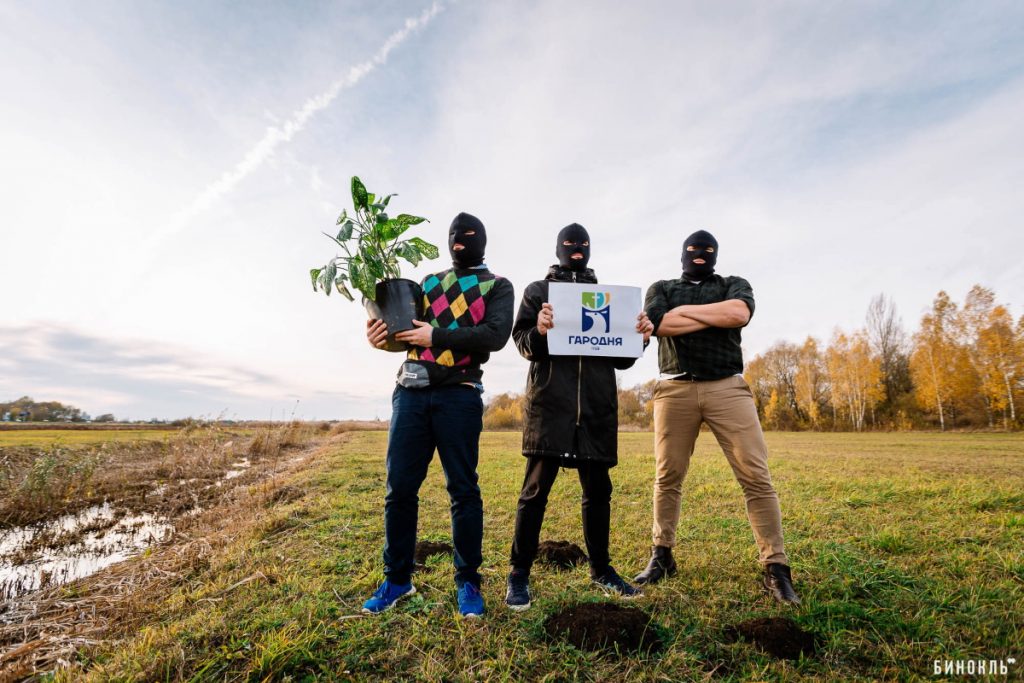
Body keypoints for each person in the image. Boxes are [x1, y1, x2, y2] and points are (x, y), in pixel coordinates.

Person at [634, 229, 800, 605]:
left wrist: (686, 314)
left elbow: (739, 313)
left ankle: (776, 567)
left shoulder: (733, 284)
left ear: (715, 255)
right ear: (682, 254)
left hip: (727, 387)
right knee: (667, 476)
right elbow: (660, 324)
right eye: (693, 250)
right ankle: (662, 555)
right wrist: (712, 317)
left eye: (707, 251)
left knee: (756, 476)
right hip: (674, 389)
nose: (699, 255)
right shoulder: (660, 287)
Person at [362, 212, 515, 617]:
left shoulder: (497, 286)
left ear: (482, 240)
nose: (459, 242)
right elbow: (403, 334)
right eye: (453, 237)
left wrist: (437, 334)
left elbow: (495, 337)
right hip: (410, 394)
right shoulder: (427, 283)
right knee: (399, 490)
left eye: (468, 236)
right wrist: (380, 337)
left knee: (463, 491)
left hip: (459, 396)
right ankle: (397, 580)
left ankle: (468, 581)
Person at [504, 223, 654, 611]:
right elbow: (522, 344)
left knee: (598, 491)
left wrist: (640, 336)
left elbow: (621, 358)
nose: (576, 248)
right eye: (569, 243)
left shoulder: (609, 297)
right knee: (535, 491)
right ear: (557, 248)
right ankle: (519, 573)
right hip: (549, 405)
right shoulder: (538, 292)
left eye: (583, 243)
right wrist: (538, 329)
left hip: (595, 407)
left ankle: (602, 570)